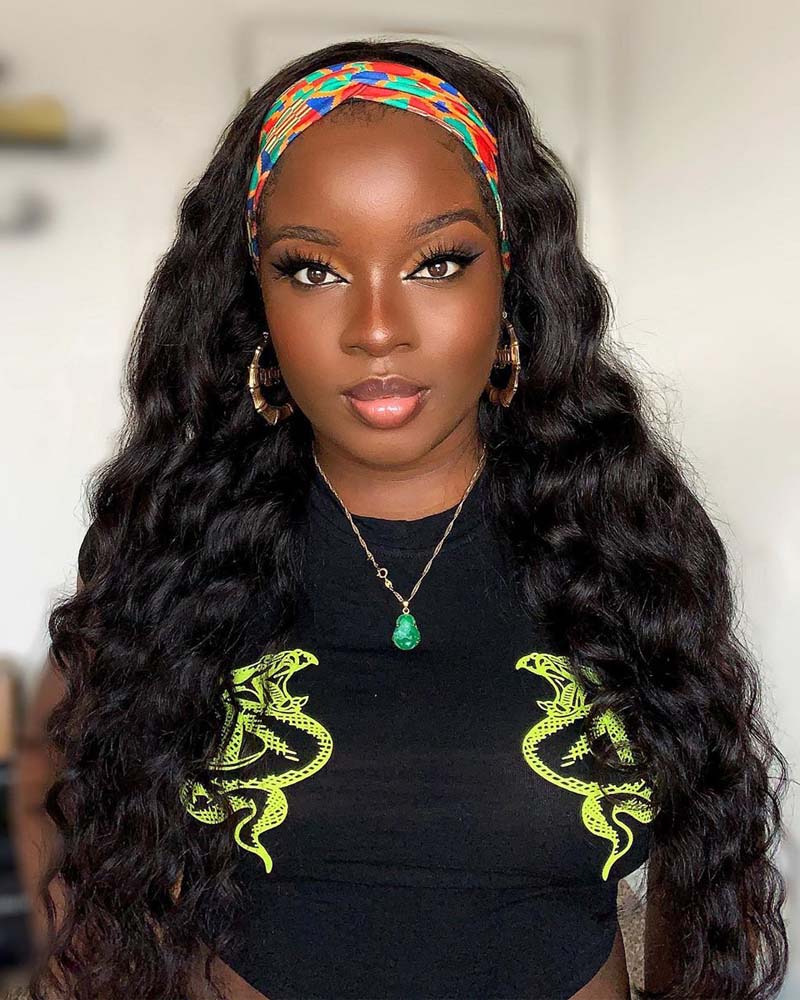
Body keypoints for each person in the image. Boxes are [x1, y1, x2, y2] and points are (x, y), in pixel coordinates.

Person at [12, 38, 790, 1000]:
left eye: (437, 262)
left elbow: (700, 876)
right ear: (255, 300)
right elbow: (60, 820)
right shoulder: (172, 559)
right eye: (313, 271)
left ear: (509, 280)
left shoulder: (625, 548)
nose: (376, 328)